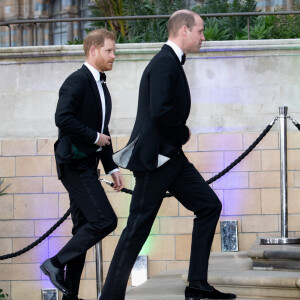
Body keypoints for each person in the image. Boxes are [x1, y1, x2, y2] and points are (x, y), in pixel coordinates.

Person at [100, 10, 236, 300]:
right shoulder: (164, 62)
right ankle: (110, 297)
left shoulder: (171, 62)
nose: (203, 37)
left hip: (171, 159)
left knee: (209, 206)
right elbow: (160, 111)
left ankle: (197, 284)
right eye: (199, 31)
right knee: (137, 230)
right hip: (155, 162)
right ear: (184, 30)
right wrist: (182, 132)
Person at [40, 28, 124, 300]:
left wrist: (111, 167)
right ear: (93, 50)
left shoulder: (101, 85)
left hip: (88, 164)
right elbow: (62, 119)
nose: (114, 55)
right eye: (109, 50)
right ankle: (54, 263)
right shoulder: (76, 81)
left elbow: (103, 129)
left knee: (82, 231)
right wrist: (93, 136)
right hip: (73, 163)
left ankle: (69, 296)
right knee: (105, 220)